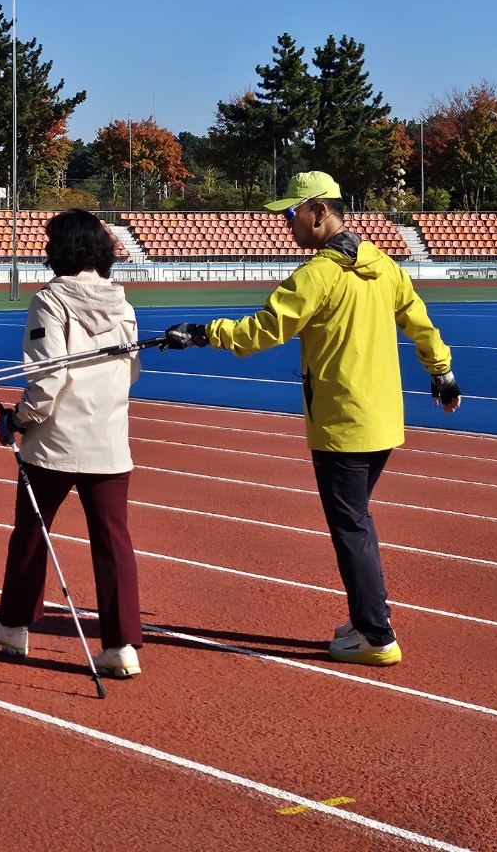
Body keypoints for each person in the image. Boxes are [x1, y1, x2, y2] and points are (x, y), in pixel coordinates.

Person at [164, 170, 459, 668]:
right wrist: (443, 373)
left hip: (342, 424)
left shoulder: (316, 274)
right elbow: (419, 321)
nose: (287, 223)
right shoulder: (384, 267)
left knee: (351, 528)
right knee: (356, 521)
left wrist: (200, 331)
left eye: (291, 213)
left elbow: (260, 331)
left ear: (319, 211)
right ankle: (368, 616)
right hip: (383, 420)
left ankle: (375, 631)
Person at [0, 209, 144, 678]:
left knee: (32, 536)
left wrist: (20, 418)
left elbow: (49, 379)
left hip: (54, 443)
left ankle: (13, 626)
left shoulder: (50, 301)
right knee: (114, 541)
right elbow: (130, 371)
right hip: (110, 440)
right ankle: (122, 646)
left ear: (61, 249)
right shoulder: (123, 303)